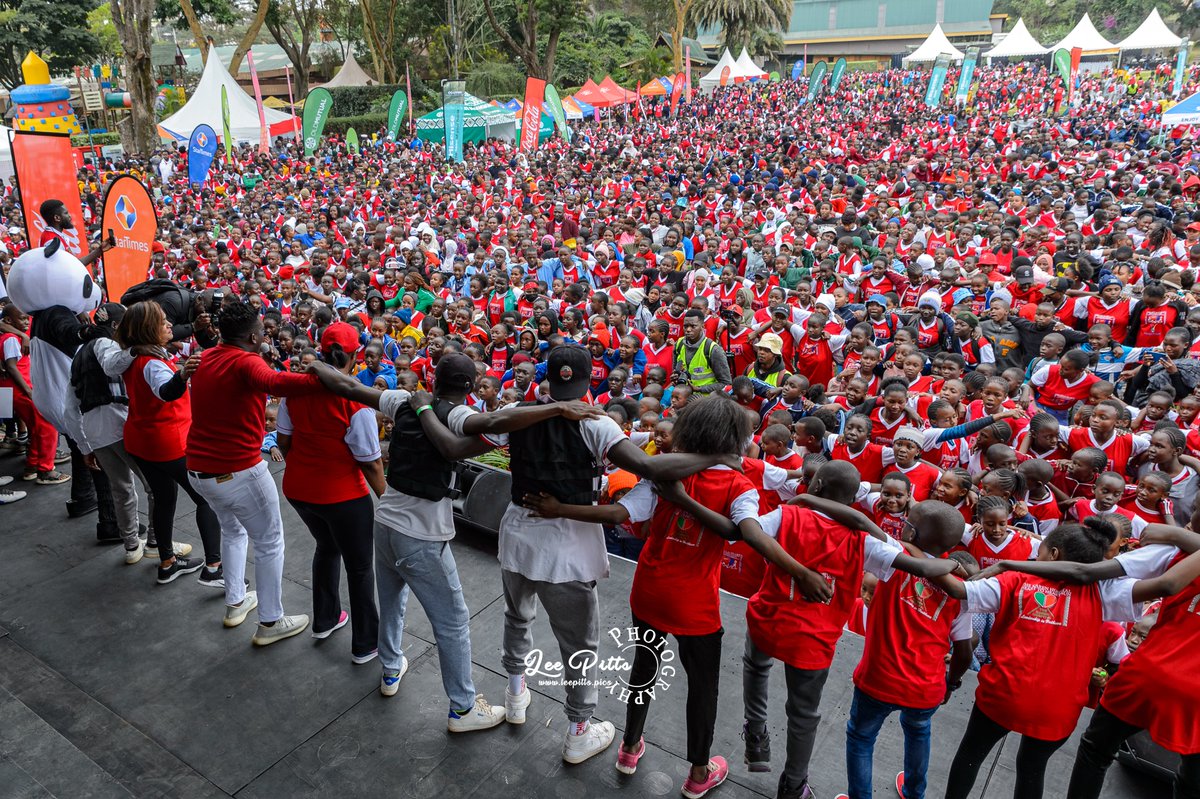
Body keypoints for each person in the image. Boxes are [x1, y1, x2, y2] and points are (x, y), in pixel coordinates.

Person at [415, 345, 741, 765]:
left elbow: (462, 436)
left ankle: (515, 696)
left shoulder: (519, 413)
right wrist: (716, 455)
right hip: (566, 548)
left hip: (516, 534)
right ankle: (578, 732)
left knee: (517, 617)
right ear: (589, 381)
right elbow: (653, 470)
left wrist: (424, 406)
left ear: (550, 377)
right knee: (579, 645)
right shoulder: (597, 423)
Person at [525, 395, 830, 798]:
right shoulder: (739, 484)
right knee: (703, 687)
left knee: (643, 669)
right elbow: (745, 533)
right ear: (734, 438)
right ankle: (699, 774)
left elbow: (620, 514)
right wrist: (801, 571)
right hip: (694, 604)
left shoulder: (667, 474)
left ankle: (629, 748)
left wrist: (559, 509)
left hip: (650, 590)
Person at [311, 348, 607, 731]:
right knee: (452, 622)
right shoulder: (460, 415)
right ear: (469, 388)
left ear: (432, 377)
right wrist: (556, 409)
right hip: (421, 535)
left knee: (392, 600)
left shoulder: (402, 398)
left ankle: (389, 669)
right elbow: (494, 422)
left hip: (383, 521)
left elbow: (343, 384)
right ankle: (463, 708)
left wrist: (315, 363)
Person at [933, 518, 1200, 799]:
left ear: (1054, 555)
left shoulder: (1015, 579)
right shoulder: (1105, 591)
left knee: (971, 755)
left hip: (1004, 694)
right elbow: (1160, 587)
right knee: (1031, 768)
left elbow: (959, 590)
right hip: (1059, 707)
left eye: (1042, 552)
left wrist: (919, 558)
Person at [739, 461, 959, 799]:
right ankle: (793, 784)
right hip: (812, 642)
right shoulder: (865, 543)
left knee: (756, 666)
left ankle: (756, 733)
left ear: (817, 485)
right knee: (803, 713)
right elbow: (919, 565)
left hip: (767, 621)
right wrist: (953, 566)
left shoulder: (788, 515)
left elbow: (747, 528)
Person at [186, 300, 325, 645]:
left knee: (233, 532)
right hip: (238, 472)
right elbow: (276, 382)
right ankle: (270, 621)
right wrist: (323, 378)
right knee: (269, 542)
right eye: (262, 330)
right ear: (252, 336)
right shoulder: (246, 361)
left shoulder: (204, 358)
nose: (265, 334)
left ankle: (235, 602)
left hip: (200, 471)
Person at [843, 500, 975, 799]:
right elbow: (964, 653)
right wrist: (950, 684)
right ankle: (915, 793)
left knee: (861, 738)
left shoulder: (892, 559)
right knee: (918, 731)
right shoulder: (961, 588)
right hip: (927, 687)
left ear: (911, 533)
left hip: (878, 680)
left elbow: (862, 527)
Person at [275, 321, 385, 664]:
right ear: (355, 357)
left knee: (326, 546)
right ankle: (366, 644)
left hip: (298, 489)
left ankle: (325, 619)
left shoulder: (294, 390)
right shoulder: (356, 403)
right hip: (343, 497)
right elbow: (370, 463)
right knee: (360, 568)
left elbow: (284, 441)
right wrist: (390, 500)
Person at [112, 301, 221, 584]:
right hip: (168, 444)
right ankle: (214, 567)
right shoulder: (152, 363)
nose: (170, 325)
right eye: (163, 322)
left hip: (142, 442)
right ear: (149, 329)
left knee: (164, 499)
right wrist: (183, 375)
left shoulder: (135, 356)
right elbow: (166, 392)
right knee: (206, 498)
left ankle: (168, 562)